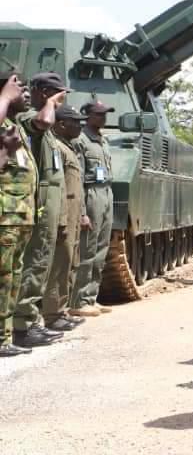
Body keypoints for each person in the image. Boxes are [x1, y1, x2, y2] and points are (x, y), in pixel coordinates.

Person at [12, 72, 68, 347]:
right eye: (59, 94)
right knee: (34, 262)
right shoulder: (28, 117)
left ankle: (32, 320)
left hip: (50, 203)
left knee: (42, 262)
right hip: (39, 202)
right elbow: (43, 122)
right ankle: (23, 325)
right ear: (46, 93)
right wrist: (51, 103)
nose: (63, 100)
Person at [0, 70, 38, 356]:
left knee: (11, 278)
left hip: (19, 215)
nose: (25, 94)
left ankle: (5, 336)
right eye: (19, 89)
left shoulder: (14, 125)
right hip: (5, 215)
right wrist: (4, 97)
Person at [42, 105, 89, 332]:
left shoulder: (69, 148)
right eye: (76, 122)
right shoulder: (57, 148)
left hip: (73, 213)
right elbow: (56, 186)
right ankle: (52, 314)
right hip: (63, 213)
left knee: (70, 261)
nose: (80, 126)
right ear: (61, 124)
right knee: (59, 264)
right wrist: (61, 218)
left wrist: (82, 214)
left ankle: (61, 310)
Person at [69, 101, 117, 317]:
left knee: (101, 248)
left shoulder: (103, 140)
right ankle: (78, 301)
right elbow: (77, 178)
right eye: (99, 114)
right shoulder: (80, 140)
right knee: (87, 249)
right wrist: (81, 212)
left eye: (105, 114)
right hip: (90, 194)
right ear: (87, 116)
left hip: (106, 192)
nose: (103, 118)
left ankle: (91, 297)